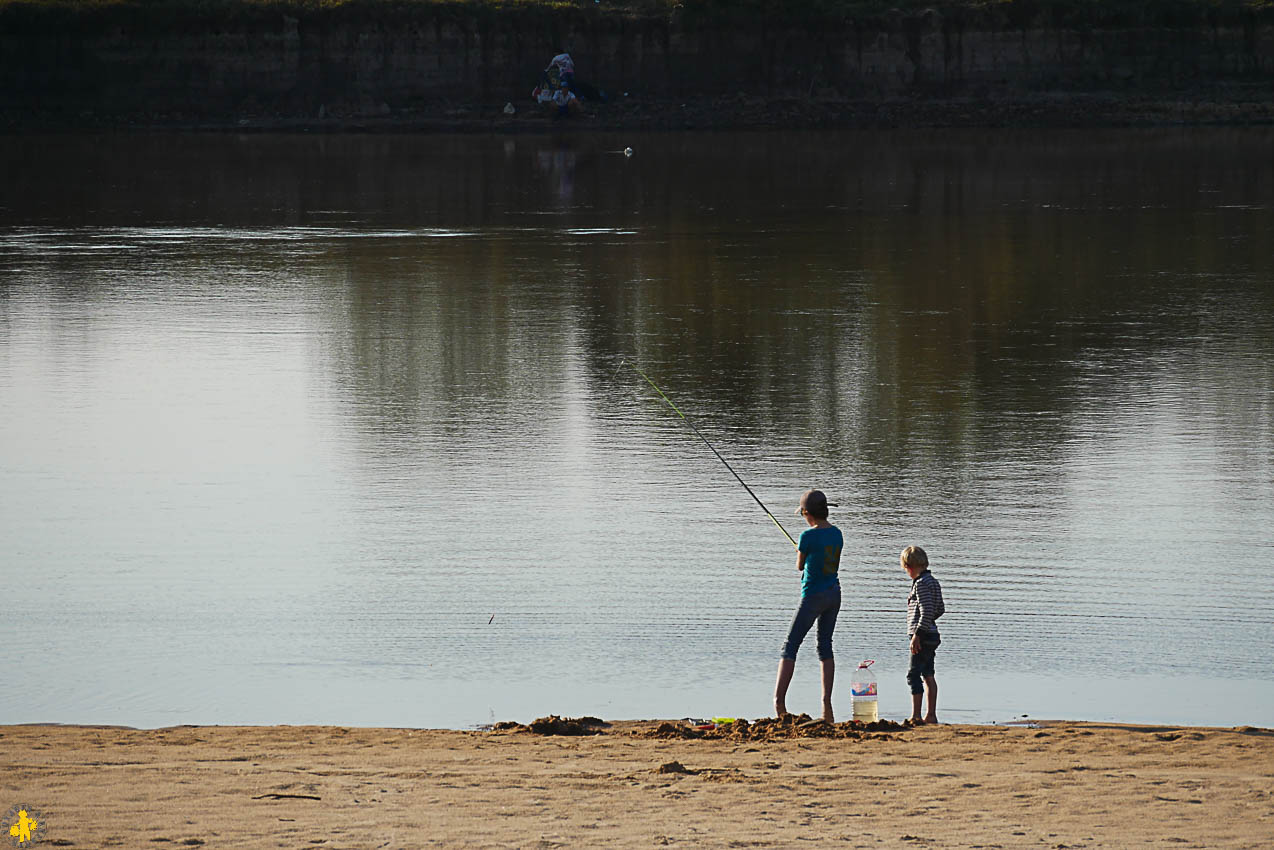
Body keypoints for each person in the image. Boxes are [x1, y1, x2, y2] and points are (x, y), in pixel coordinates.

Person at [774, 489, 843, 722]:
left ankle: (778, 700)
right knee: (825, 645)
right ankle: (827, 701)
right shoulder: (837, 534)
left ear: (806, 513)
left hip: (813, 596)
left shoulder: (806, 537)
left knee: (790, 645)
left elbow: (800, 566)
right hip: (834, 593)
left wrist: (800, 551)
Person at [901, 545, 945, 725]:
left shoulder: (920, 584)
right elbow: (940, 609)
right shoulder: (933, 581)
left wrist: (918, 633)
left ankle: (917, 715)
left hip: (923, 636)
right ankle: (931, 715)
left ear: (909, 567)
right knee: (928, 673)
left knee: (913, 675)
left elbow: (927, 610)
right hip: (931, 634)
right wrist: (928, 624)